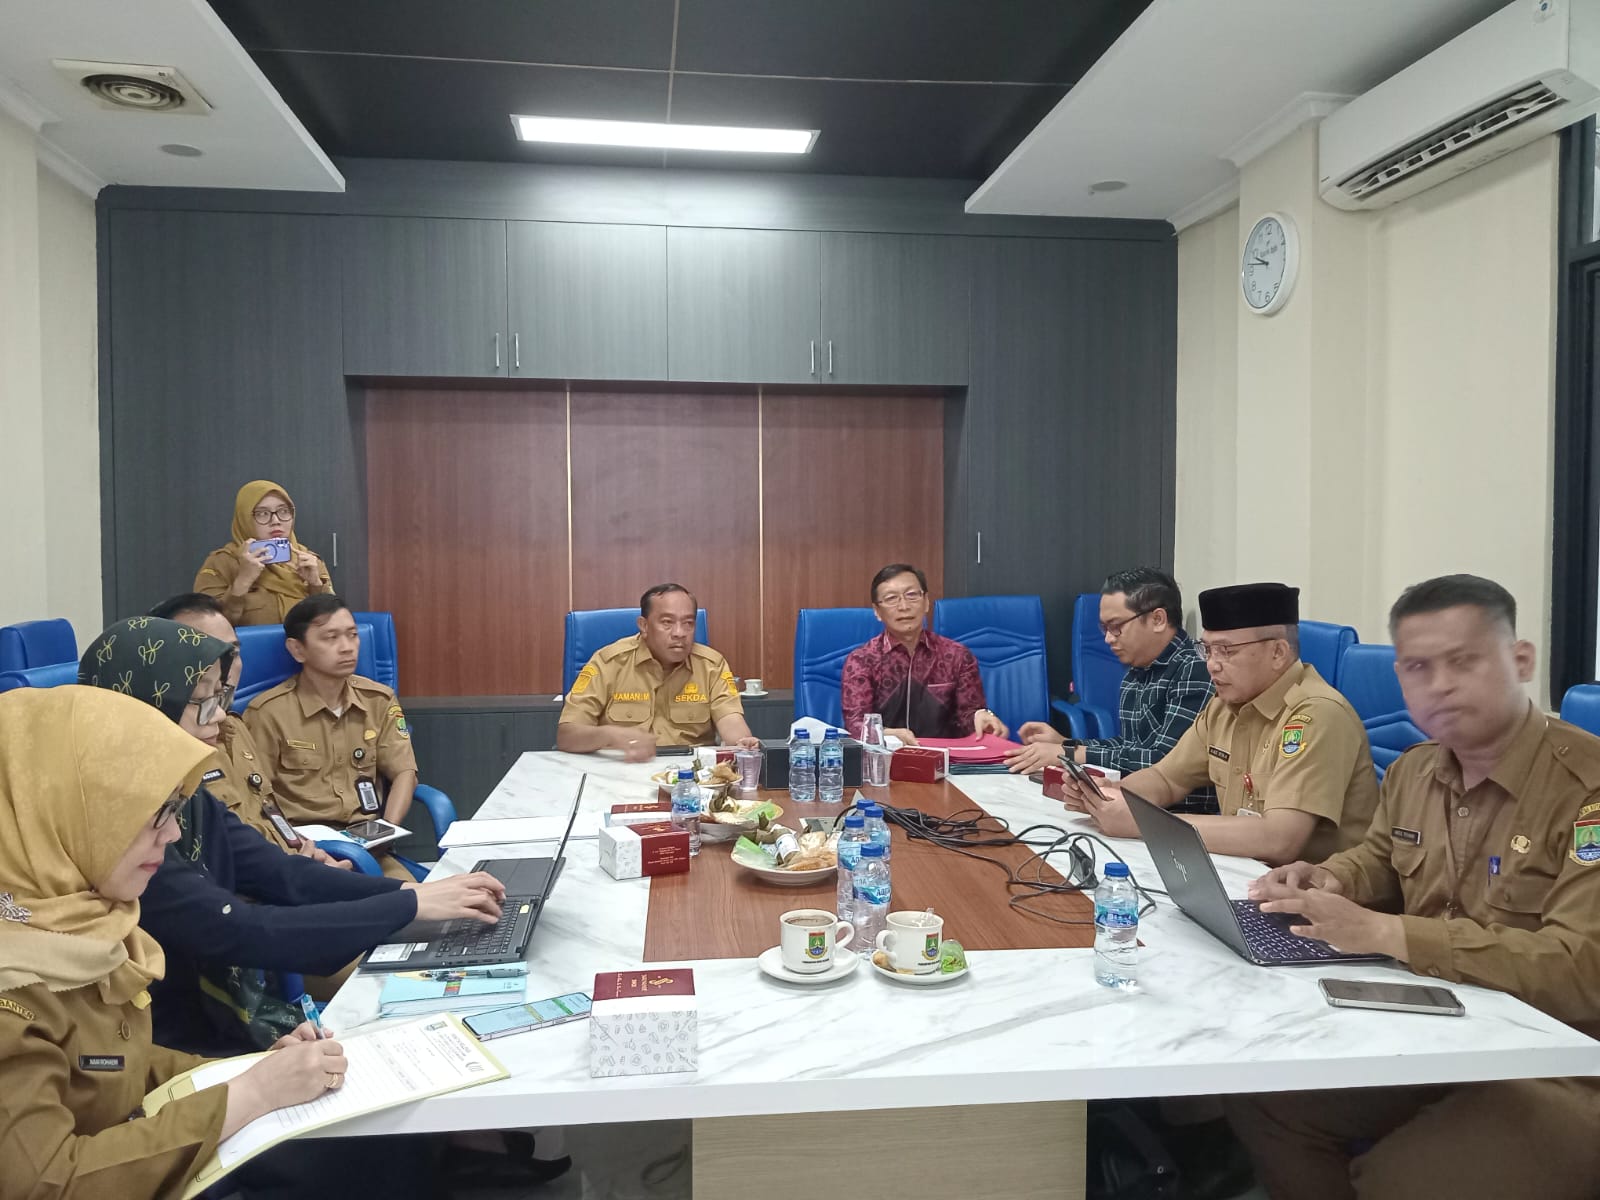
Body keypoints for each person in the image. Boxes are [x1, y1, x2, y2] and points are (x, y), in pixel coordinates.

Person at [1228, 576, 1600, 1198]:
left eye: (1464, 661)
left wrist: (1388, 933)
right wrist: (1331, 875)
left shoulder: (1587, 790)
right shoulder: (1414, 769)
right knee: (1264, 1098)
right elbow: (1381, 857)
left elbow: (1582, 965)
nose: (1441, 685)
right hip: (1444, 1027)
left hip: (1564, 1060)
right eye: (1419, 668)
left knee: (1399, 1178)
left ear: (1521, 661)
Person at [78, 616, 505, 1052]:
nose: (220, 715)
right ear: (144, 708)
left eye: (218, 698)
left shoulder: (183, 795)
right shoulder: (114, 826)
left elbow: (282, 873)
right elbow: (238, 929)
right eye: (201, 702)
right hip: (168, 1043)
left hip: (217, 1017)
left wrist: (412, 894)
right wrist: (407, 904)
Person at [0, 685, 353, 1200]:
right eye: (151, 813)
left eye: (173, 810)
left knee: (353, 1151)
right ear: (57, 815)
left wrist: (253, 1071)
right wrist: (248, 1093)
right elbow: (47, 1184)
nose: (170, 836)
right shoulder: (14, 985)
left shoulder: (80, 922)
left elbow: (116, 1065)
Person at [1062, 582, 1377, 867]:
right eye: (1207, 649)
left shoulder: (1317, 715)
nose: (1211, 664)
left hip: (1317, 898)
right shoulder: (1225, 707)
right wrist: (1111, 797)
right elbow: (1166, 779)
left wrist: (1142, 823)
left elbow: (1279, 839)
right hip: (1243, 876)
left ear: (1278, 653)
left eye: (1226, 651)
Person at [149, 592, 345, 865]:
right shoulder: (162, 749)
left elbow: (269, 816)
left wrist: (309, 856)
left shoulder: (235, 728)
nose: (226, 667)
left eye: (233, 653)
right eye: (208, 654)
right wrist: (300, 872)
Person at [1005, 569, 1215, 815]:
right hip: (1134, 805)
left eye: (1116, 627)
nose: (1107, 639)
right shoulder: (1137, 671)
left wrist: (1070, 753)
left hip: (1181, 817)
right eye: (1103, 628)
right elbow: (1128, 745)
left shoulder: (1195, 670)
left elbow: (1164, 764)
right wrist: (1066, 743)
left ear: (1158, 619)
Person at [244, 594, 419, 881]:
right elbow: (256, 799)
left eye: (352, 635)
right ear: (297, 649)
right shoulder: (267, 712)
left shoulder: (378, 700)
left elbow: (404, 771)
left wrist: (386, 829)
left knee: (420, 902)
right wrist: (298, 851)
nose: (347, 647)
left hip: (368, 848)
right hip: (302, 852)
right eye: (331, 638)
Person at [557, 583, 761, 762]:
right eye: (667, 622)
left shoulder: (712, 665)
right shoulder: (608, 662)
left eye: (688, 623)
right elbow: (567, 735)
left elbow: (731, 720)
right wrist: (611, 736)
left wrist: (742, 742)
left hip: (691, 776)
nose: (679, 633)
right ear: (644, 626)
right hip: (622, 769)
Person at [839, 563, 1006, 744]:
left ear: (926, 602)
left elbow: (967, 716)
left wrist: (980, 717)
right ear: (877, 611)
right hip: (886, 755)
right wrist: (887, 734)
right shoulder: (861, 660)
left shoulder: (957, 656)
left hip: (946, 756)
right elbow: (855, 724)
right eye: (891, 598)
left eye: (911, 595)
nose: (904, 606)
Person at [194, 479, 332, 627]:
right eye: (262, 513)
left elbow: (333, 624)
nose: (276, 520)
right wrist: (242, 581)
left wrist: (316, 585)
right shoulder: (220, 563)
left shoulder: (309, 561)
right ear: (245, 518)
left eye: (283, 511)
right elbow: (206, 629)